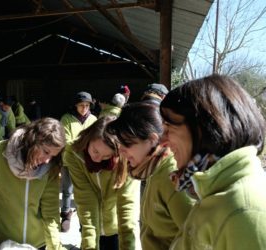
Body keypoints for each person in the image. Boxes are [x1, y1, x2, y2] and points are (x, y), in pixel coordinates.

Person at [160, 74, 266, 250]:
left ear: (204, 127)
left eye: (168, 127)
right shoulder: (215, 190)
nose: (162, 141)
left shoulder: (245, 212)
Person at [106, 102, 195, 249]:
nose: (121, 151)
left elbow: (196, 239)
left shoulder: (172, 177)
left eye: (127, 144)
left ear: (152, 140)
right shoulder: (153, 169)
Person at [0, 118, 66, 250]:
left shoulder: (50, 167)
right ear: (33, 139)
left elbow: (50, 211)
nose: (47, 160)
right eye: (46, 152)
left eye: (53, 156)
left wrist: (55, 246)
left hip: (38, 244)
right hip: (1, 242)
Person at [63, 116, 141, 250]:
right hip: (89, 222)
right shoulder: (74, 154)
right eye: (95, 151)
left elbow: (127, 203)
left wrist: (128, 242)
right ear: (89, 138)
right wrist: (89, 242)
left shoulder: (127, 158)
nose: (98, 159)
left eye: (106, 156)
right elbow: (85, 197)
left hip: (116, 226)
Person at [59, 91, 97, 232]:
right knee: (67, 189)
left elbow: (96, 138)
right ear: (75, 105)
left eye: (87, 105)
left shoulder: (93, 119)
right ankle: (65, 214)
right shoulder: (66, 119)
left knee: (85, 191)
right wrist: (86, 146)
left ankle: (84, 219)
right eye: (81, 105)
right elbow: (67, 140)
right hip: (69, 161)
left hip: (88, 162)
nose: (84, 108)